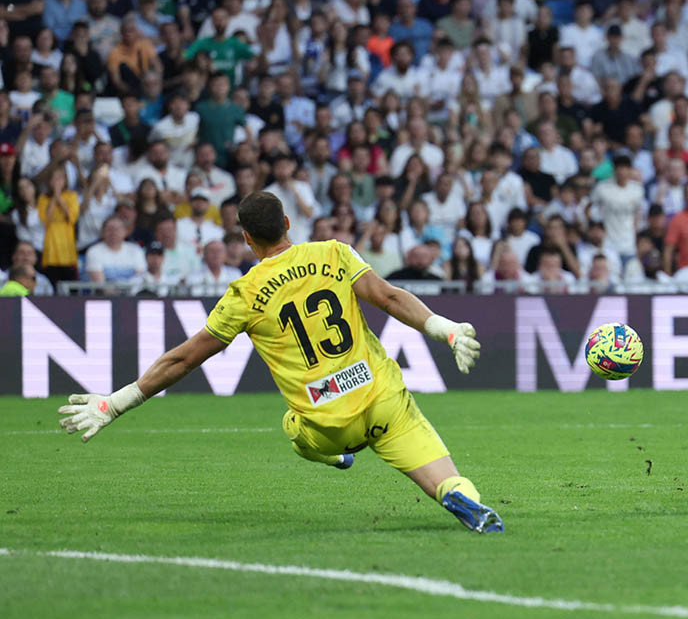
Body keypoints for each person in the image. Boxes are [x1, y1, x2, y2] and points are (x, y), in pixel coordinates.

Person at [58, 191, 503, 534]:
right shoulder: (334, 253)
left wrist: (116, 403)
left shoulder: (245, 293)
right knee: (445, 479)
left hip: (325, 421)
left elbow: (184, 358)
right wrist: (444, 328)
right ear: (288, 224)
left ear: (246, 238)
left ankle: (339, 458)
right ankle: (461, 497)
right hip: (383, 400)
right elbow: (387, 296)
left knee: (293, 428)